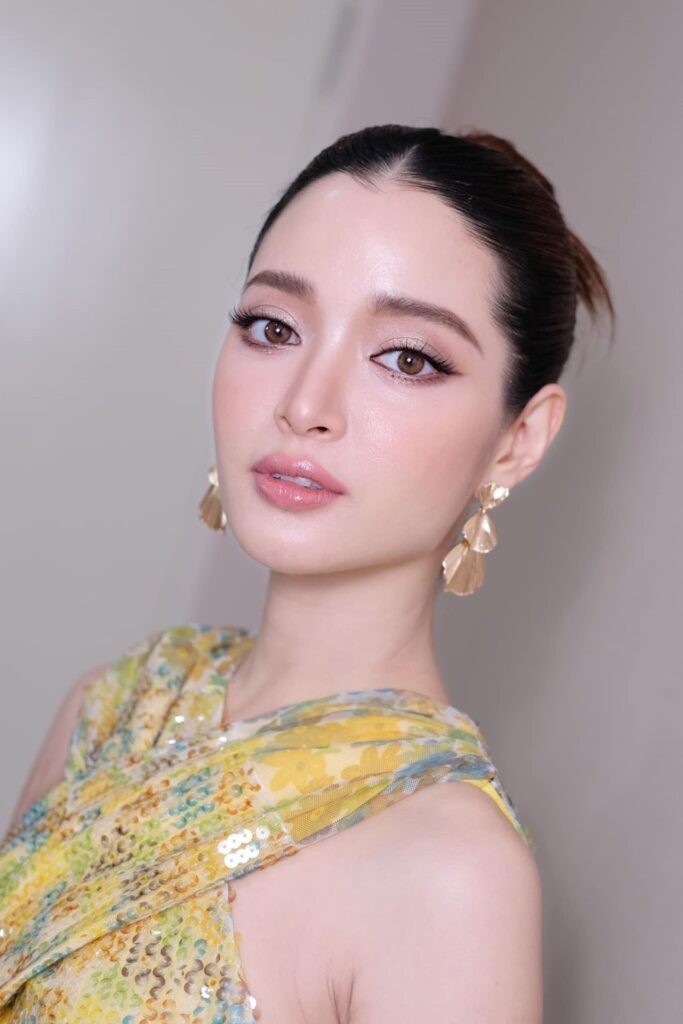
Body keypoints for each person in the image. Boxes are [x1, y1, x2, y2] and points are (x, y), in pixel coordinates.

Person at [0, 124, 615, 1022]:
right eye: (273, 327)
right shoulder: (119, 701)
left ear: (517, 441)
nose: (303, 405)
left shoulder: (450, 880)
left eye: (406, 358)